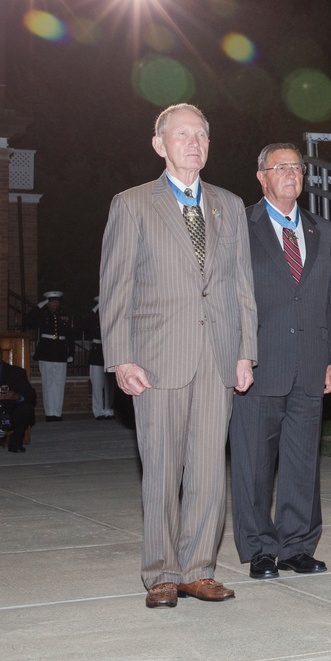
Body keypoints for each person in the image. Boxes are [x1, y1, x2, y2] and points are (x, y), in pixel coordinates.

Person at [100, 103, 257, 609]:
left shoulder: (229, 205)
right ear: (159, 144)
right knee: (163, 470)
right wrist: (122, 357)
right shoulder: (132, 204)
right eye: (182, 134)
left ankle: (198, 569)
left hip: (217, 357)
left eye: (201, 136)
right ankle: (162, 573)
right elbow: (116, 288)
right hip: (158, 358)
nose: (194, 143)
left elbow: (240, 287)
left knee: (210, 470)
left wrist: (245, 353)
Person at [229, 143, 331, 581]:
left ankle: (297, 545)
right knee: (253, 465)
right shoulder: (240, 224)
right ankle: (260, 547)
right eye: (280, 167)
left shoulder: (324, 231)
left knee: (302, 462)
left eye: (296, 168)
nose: (290, 174)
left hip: (311, 365)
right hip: (258, 364)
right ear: (261, 176)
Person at [25, 291, 72, 422]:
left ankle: (57, 412)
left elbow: (70, 336)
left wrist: (71, 354)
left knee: (59, 383)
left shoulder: (64, 316)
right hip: (46, 352)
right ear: (47, 302)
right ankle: (49, 413)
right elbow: (27, 320)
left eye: (57, 301)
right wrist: (39, 306)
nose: (55, 304)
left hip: (61, 352)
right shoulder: (41, 314)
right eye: (52, 301)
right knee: (48, 383)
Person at [86, 297, 115, 420]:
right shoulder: (93, 316)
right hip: (97, 352)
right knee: (97, 384)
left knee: (110, 384)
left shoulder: (112, 314)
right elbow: (84, 323)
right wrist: (96, 309)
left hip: (110, 351)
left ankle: (109, 410)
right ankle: (98, 411)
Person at [0, 358, 36, 453]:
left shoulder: (16, 372)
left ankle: (15, 443)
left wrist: (17, 396)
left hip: (10, 411)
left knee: (26, 409)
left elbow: (31, 396)